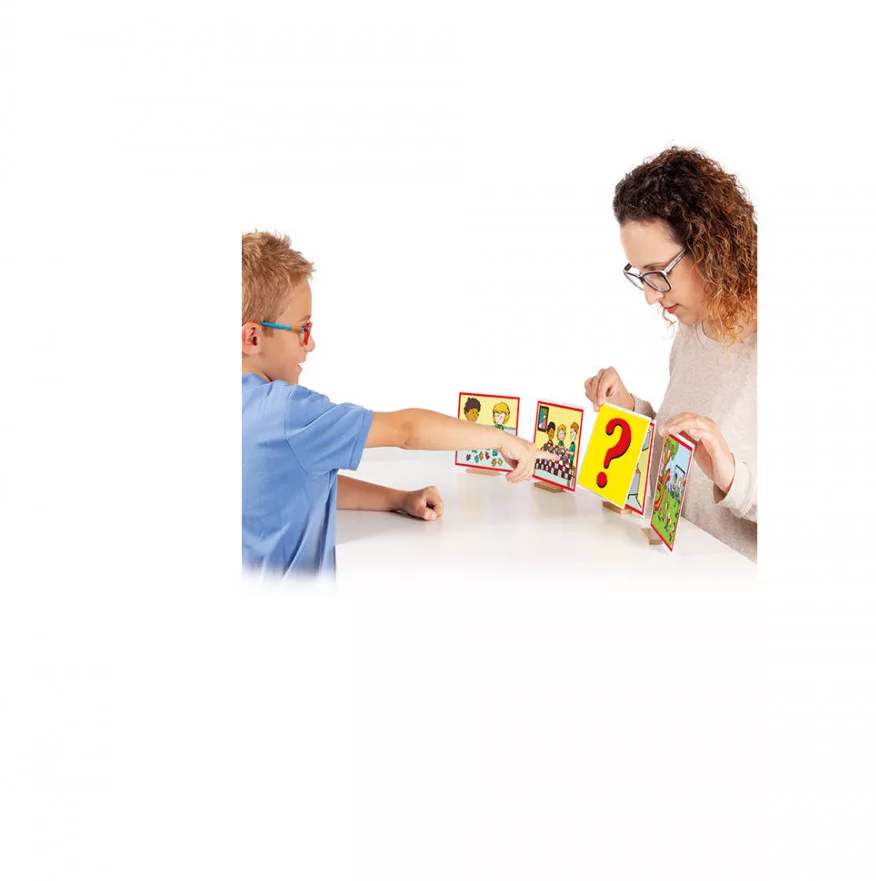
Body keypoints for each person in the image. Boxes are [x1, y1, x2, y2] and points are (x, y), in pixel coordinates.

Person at [243, 231, 545, 575]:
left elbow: (300, 485)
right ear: (253, 337)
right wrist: (499, 438)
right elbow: (408, 430)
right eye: (302, 330)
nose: (310, 345)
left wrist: (398, 499)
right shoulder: (289, 413)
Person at [584, 147, 756, 561]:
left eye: (659, 273)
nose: (649, 296)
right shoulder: (695, 326)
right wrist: (629, 410)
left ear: (711, 248)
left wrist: (731, 477)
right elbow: (678, 464)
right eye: (641, 276)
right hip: (675, 568)